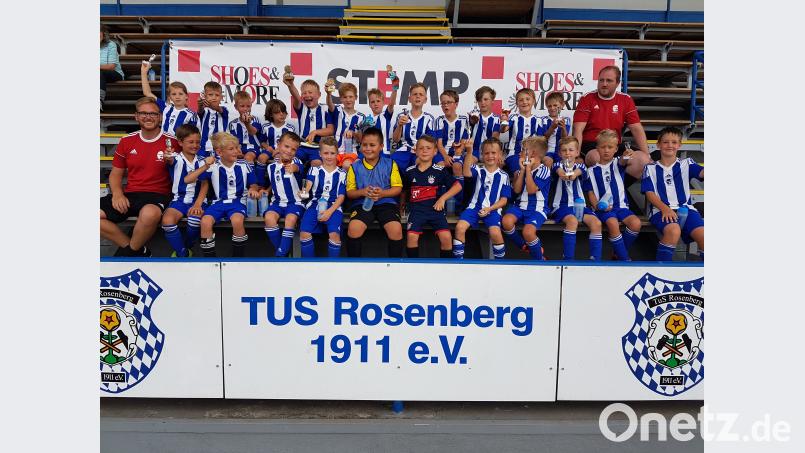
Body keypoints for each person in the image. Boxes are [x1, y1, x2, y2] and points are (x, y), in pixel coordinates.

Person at [101, 97, 178, 257]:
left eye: (153, 114)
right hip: (131, 194)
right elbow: (116, 173)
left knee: (150, 214)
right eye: (143, 113)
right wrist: (117, 194)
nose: (148, 117)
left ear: (160, 117)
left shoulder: (172, 142)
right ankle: (137, 251)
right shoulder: (127, 141)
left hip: (159, 195)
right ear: (136, 116)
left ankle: (126, 254)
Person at [186, 132, 259, 257]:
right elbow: (187, 180)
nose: (236, 151)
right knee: (205, 222)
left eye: (237, 147)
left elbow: (254, 184)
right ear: (219, 152)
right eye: (231, 149)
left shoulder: (244, 165)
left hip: (238, 202)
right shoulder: (213, 166)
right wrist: (205, 165)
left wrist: (253, 189)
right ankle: (210, 260)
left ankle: (238, 258)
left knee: (237, 220)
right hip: (217, 203)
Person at [572, 65, 650, 179]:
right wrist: (576, 156)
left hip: (615, 145)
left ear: (617, 83)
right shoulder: (587, 99)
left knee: (643, 160)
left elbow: (636, 129)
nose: (604, 84)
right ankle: (606, 192)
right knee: (597, 157)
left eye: (609, 80)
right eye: (601, 80)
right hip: (592, 146)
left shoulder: (625, 99)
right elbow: (578, 129)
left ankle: (619, 190)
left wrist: (647, 155)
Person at [641, 126, 704, 261]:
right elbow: (649, 193)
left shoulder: (687, 163)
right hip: (660, 210)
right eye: (665, 142)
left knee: (704, 235)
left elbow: (702, 173)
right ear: (658, 145)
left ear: (679, 145)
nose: (670, 145)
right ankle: (662, 268)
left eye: (674, 142)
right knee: (673, 231)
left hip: (686, 209)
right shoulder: (650, 168)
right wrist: (665, 209)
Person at [583, 129, 642, 261]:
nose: (606, 150)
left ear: (616, 149)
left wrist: (627, 155)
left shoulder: (617, 164)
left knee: (636, 224)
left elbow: (623, 161)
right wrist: (597, 206)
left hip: (621, 207)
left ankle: (618, 252)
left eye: (610, 147)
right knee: (613, 223)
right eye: (603, 147)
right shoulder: (590, 171)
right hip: (603, 209)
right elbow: (590, 193)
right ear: (597, 148)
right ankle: (624, 258)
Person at [401, 135, 463, 258]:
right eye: (421, 148)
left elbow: (458, 186)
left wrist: (442, 199)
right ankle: (414, 267)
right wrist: (402, 205)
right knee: (412, 237)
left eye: (428, 148)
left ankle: (445, 268)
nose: (424, 151)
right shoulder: (409, 171)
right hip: (416, 211)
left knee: (446, 237)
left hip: (436, 211)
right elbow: (404, 190)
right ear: (416, 150)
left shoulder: (439, 170)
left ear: (435, 152)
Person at [345, 127, 404, 258]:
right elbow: (350, 193)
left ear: (381, 146)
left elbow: (397, 188)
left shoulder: (390, 164)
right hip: (362, 204)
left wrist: (382, 193)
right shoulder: (354, 167)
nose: (368, 148)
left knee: (396, 229)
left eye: (372, 145)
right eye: (364, 145)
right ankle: (353, 266)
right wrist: (362, 192)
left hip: (386, 203)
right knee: (354, 228)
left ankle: (395, 267)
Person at [453, 138, 511, 260]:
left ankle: (500, 265)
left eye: (493, 153)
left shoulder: (504, 176)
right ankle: (458, 262)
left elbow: (504, 200)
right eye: (486, 153)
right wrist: (469, 152)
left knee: (495, 233)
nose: (490, 156)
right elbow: (467, 173)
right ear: (482, 155)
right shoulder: (477, 170)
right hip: (474, 207)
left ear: (500, 154)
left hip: (493, 210)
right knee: (459, 228)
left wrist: (490, 208)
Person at [549, 136, 603, 260]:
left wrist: (573, 174)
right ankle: (568, 258)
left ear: (577, 152)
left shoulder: (581, 167)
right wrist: (564, 174)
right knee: (572, 221)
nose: (568, 153)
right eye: (564, 150)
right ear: (559, 153)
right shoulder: (557, 165)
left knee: (596, 223)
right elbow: (559, 171)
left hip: (580, 206)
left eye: (571, 150)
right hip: (561, 206)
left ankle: (596, 259)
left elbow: (579, 172)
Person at [160, 124, 209, 257]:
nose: (195, 145)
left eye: (198, 142)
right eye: (191, 142)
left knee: (195, 219)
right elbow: (169, 159)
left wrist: (198, 204)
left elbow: (205, 184)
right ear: (180, 142)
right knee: (167, 221)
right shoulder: (176, 158)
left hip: (198, 201)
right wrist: (167, 157)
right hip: (179, 200)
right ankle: (183, 253)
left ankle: (187, 246)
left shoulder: (202, 161)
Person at [501, 136, 552, 260]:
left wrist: (528, 169)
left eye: (523, 150)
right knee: (506, 222)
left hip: (537, 208)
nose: (520, 152)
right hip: (520, 206)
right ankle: (524, 246)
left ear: (532, 154)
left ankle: (539, 260)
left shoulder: (544, 170)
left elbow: (531, 190)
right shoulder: (520, 170)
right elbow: (517, 190)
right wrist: (523, 170)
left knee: (528, 232)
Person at [298, 137, 347, 258]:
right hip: (314, 205)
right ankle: (309, 265)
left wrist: (329, 212)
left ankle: (332, 267)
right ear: (320, 154)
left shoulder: (342, 173)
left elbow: (341, 197)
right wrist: (303, 192)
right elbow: (307, 186)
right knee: (304, 233)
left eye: (332, 153)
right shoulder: (314, 170)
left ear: (337, 154)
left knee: (334, 235)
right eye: (326, 153)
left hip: (333, 207)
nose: (329, 156)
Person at [262, 131, 305, 257]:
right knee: (269, 218)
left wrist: (294, 168)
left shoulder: (296, 162)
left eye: (293, 149)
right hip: (277, 202)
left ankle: (280, 255)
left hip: (295, 202)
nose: (289, 151)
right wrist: (267, 190)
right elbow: (276, 181)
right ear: (279, 145)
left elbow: (299, 169)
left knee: (290, 219)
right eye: (286, 146)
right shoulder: (271, 167)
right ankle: (283, 251)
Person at [283, 72, 333, 167]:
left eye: (310, 92)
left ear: (319, 94)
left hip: (318, 147)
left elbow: (330, 130)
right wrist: (291, 85)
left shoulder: (325, 109)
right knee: (292, 161)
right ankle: (296, 181)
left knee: (317, 163)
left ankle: (311, 181)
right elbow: (296, 97)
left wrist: (315, 132)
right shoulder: (302, 108)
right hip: (302, 146)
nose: (307, 95)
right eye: (304, 93)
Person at [433, 90, 470, 206]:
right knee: (439, 166)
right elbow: (438, 143)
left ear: (456, 104)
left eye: (449, 102)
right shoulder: (439, 120)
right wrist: (445, 156)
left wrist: (457, 153)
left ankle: (459, 202)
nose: (445, 105)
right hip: (442, 153)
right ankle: (439, 201)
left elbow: (464, 142)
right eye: (443, 103)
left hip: (458, 152)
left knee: (457, 166)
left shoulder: (464, 119)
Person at [139, 62, 197, 137]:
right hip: (164, 144)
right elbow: (147, 93)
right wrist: (143, 73)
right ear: (169, 97)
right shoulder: (166, 107)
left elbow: (194, 135)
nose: (177, 97)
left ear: (186, 96)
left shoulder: (191, 114)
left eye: (180, 94)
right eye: (174, 94)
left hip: (180, 146)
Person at [392, 83, 435, 170]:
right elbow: (395, 140)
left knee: (422, 164)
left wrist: (420, 148)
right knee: (393, 163)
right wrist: (400, 125)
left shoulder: (429, 118)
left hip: (421, 151)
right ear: (409, 99)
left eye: (421, 94)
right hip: (404, 150)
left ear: (425, 99)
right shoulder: (401, 116)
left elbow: (432, 141)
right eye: (415, 94)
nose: (418, 96)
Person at [326, 82, 365, 170]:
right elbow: (329, 104)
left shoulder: (361, 117)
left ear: (356, 97)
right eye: (345, 97)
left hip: (351, 152)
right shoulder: (338, 110)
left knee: (347, 166)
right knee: (328, 165)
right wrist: (329, 94)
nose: (348, 100)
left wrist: (354, 134)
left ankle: (346, 183)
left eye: (351, 97)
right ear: (341, 99)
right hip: (335, 150)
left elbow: (361, 139)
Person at [502, 88, 541, 174]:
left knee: (535, 171)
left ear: (534, 101)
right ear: (516, 103)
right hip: (514, 154)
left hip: (532, 156)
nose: (524, 102)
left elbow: (541, 139)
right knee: (519, 172)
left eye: (527, 99)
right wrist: (504, 121)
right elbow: (503, 130)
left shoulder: (538, 120)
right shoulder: (513, 118)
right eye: (521, 100)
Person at [258, 99, 295, 187]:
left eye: (283, 111)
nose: (282, 114)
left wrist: (279, 151)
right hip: (270, 150)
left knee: (280, 160)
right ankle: (260, 184)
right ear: (271, 114)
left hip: (283, 152)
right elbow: (262, 141)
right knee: (261, 157)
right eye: (277, 112)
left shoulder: (290, 128)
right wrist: (267, 147)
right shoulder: (266, 127)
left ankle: (278, 185)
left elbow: (292, 144)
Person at [465, 85, 501, 165]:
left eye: (485, 99)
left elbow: (495, 137)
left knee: (499, 163)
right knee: (468, 163)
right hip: (475, 150)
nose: (483, 102)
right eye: (480, 100)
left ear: (492, 101)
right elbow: (471, 122)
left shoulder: (496, 119)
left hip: (489, 151)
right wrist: (472, 121)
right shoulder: (473, 115)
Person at [227, 91, 262, 165]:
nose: (245, 109)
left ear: (251, 106)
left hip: (253, 147)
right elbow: (234, 140)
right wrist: (238, 150)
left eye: (248, 106)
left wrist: (247, 123)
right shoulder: (233, 124)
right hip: (239, 148)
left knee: (248, 157)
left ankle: (251, 176)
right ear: (236, 107)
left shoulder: (255, 119)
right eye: (242, 106)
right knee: (231, 157)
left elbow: (253, 132)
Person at [197, 81, 231, 158]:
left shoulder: (224, 110)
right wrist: (200, 105)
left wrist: (210, 105)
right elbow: (200, 111)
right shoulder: (203, 111)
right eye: (210, 95)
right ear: (204, 96)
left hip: (220, 147)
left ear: (221, 98)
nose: (214, 97)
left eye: (217, 95)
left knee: (219, 168)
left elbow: (217, 108)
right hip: (203, 147)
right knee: (203, 167)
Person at [367, 85, 398, 158]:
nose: (375, 104)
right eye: (372, 102)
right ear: (369, 105)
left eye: (378, 101)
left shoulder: (385, 115)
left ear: (383, 103)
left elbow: (391, 104)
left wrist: (395, 88)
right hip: (369, 152)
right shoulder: (366, 119)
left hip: (383, 152)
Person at [541, 91, 571, 166]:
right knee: (548, 161)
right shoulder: (543, 120)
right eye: (549, 106)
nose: (552, 108)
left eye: (555, 105)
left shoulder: (566, 120)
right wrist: (552, 127)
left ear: (562, 105)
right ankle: (547, 177)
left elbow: (564, 139)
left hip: (561, 152)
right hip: (547, 152)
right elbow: (543, 138)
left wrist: (563, 128)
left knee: (566, 164)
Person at [100, 24, 124, 111]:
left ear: (103, 34)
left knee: (99, 72)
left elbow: (111, 66)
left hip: (114, 73)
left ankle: (99, 101)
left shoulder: (111, 45)